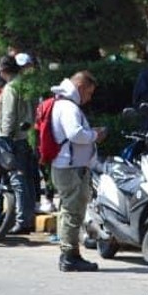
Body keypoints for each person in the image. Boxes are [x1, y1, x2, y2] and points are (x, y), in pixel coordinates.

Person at [50, 71, 106, 272]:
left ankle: (69, 254)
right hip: (71, 168)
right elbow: (75, 134)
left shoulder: (62, 103)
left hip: (68, 166)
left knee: (69, 211)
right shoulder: (68, 107)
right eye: (89, 93)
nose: (89, 98)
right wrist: (94, 135)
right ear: (81, 88)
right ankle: (69, 256)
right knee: (73, 212)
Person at [0, 55, 37, 234]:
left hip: (15, 138)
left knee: (17, 179)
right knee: (27, 179)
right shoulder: (27, 85)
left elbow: (9, 115)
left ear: (3, 70)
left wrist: (5, 136)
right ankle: (28, 218)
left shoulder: (11, 87)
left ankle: (22, 220)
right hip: (28, 137)